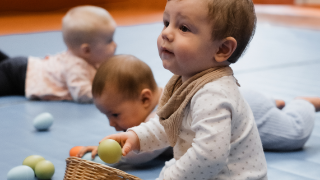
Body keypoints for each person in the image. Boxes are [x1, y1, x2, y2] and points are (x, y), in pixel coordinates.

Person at [97, 0, 269, 179]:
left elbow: (209, 157)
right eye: (166, 23)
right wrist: (136, 137)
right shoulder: (187, 82)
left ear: (222, 48)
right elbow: (170, 125)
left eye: (184, 28)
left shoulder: (213, 93)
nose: (166, 33)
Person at [77, 56, 320, 164]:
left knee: (294, 135)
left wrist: (104, 153)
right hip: (233, 100)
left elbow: (141, 152)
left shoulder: (166, 112)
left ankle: (304, 103)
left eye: (115, 114)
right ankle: (274, 101)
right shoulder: (164, 99)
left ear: (145, 99)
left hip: (247, 111)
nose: (111, 123)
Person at [0, 5, 117, 103]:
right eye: (109, 41)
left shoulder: (92, 58)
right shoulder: (75, 66)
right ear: (86, 50)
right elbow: (82, 94)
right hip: (17, 77)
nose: (115, 45)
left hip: (23, 68)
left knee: (4, 65)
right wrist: (109, 96)